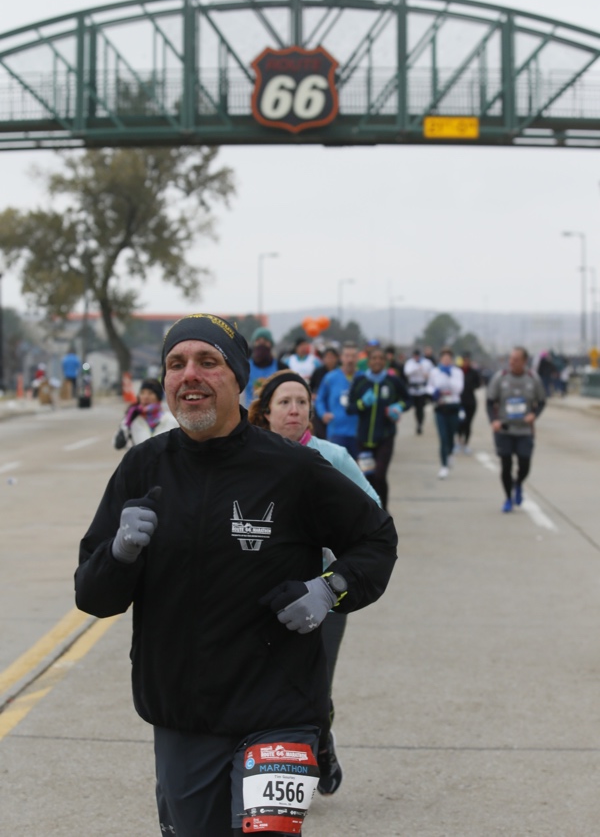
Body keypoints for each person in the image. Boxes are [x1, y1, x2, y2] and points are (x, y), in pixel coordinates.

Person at [75, 313, 397, 837]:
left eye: (208, 362)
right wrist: (118, 554)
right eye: (176, 364)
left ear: (239, 377)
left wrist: (330, 588)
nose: (189, 375)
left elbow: (376, 539)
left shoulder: (293, 469)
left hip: (279, 706)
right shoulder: (142, 468)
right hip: (183, 713)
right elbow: (93, 595)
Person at [248, 369, 381, 798]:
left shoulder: (333, 457)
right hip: (262, 594)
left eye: (301, 402)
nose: (294, 410)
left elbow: (373, 516)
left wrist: (333, 567)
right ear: (266, 413)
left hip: (324, 592)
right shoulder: (250, 459)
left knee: (314, 686)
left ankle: (322, 745)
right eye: (284, 402)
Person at [347, 345, 410, 509]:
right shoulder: (360, 381)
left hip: (385, 436)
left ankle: (383, 510)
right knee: (367, 477)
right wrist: (362, 403)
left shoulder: (393, 381)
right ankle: (370, 511)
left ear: (385, 362)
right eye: (374, 358)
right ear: (368, 361)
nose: (377, 362)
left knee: (380, 476)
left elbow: (408, 399)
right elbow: (350, 408)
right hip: (363, 438)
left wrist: (399, 407)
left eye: (381, 359)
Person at [486, 346, 546, 512]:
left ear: (524, 361)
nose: (512, 362)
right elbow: (490, 402)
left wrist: (534, 415)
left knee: (524, 463)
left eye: (516, 360)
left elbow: (541, 401)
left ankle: (518, 483)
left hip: (524, 430)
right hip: (505, 429)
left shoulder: (533, 378)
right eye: (510, 359)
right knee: (505, 465)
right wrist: (494, 420)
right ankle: (507, 498)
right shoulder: (501, 378)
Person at [315, 342, 360, 458]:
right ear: (341, 358)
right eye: (347, 356)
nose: (350, 360)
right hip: (336, 432)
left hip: (358, 433)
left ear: (358, 358)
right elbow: (320, 399)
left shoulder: (362, 378)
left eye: (353, 356)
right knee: (337, 471)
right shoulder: (330, 377)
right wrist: (323, 413)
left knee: (361, 472)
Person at [426, 348, 464, 479]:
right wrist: (434, 392)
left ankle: (450, 452)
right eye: (444, 358)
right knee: (443, 437)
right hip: (440, 407)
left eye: (449, 358)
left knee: (451, 434)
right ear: (440, 359)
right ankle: (443, 466)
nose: (446, 361)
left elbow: (458, 389)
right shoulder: (435, 372)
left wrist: (448, 376)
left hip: (453, 406)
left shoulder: (457, 372)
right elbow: (429, 386)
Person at [113, 378, 178, 449]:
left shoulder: (172, 420)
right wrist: (126, 424)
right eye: (142, 393)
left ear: (158, 397)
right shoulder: (132, 420)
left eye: (150, 393)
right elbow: (117, 445)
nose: (145, 397)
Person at [243, 326, 286, 408]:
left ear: (271, 344)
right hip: (250, 415)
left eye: (265, 341)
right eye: (258, 341)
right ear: (254, 344)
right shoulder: (245, 367)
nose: (261, 344)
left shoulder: (282, 368)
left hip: (274, 414)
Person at [309, 345, 340, 438]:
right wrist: (313, 395)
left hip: (336, 407)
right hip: (320, 406)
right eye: (327, 357)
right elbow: (310, 388)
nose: (330, 359)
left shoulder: (340, 372)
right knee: (321, 434)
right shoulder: (318, 372)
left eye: (332, 357)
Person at [456, 352, 482, 453]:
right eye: (464, 360)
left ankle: (466, 444)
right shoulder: (457, 372)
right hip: (459, 402)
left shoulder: (473, 372)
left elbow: (478, 384)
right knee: (460, 423)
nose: (466, 362)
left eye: (468, 360)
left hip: (470, 402)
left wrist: (471, 387)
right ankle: (458, 442)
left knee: (468, 424)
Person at [403, 348, 433, 435]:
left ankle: (420, 424)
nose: (416, 357)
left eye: (417, 356)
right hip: (412, 389)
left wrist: (427, 375)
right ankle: (418, 422)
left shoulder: (427, 362)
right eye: (415, 356)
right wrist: (417, 368)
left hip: (422, 389)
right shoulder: (410, 363)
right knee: (415, 408)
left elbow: (432, 373)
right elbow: (407, 372)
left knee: (420, 408)